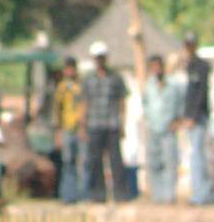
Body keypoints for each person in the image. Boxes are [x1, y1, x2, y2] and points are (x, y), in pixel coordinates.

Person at [79, 42, 128, 204]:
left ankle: (120, 194)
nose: (99, 61)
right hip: (94, 124)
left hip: (112, 124)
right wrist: (83, 125)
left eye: (101, 57)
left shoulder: (115, 78)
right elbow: (84, 103)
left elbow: (122, 101)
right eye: (97, 58)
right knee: (95, 161)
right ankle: (98, 195)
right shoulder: (88, 79)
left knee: (116, 160)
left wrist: (122, 123)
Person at [179, 32, 214, 205]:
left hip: (198, 117)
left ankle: (201, 195)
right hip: (189, 117)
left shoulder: (201, 66)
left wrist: (193, 116)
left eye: (190, 44)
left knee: (196, 155)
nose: (188, 48)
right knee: (195, 155)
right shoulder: (188, 66)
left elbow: (201, 94)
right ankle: (201, 191)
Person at [139, 52, 181, 204]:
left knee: (170, 162)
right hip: (153, 128)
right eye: (153, 66)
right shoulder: (148, 86)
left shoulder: (173, 85)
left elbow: (180, 105)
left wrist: (177, 121)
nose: (156, 69)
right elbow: (145, 105)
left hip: (168, 128)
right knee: (154, 163)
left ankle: (169, 195)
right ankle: (157, 195)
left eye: (158, 66)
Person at [52, 57, 84, 204]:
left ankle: (83, 194)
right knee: (67, 163)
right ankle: (68, 196)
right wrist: (58, 133)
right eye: (67, 68)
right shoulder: (61, 88)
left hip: (80, 129)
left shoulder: (81, 86)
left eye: (72, 68)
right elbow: (57, 112)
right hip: (67, 129)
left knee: (83, 162)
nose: (70, 71)